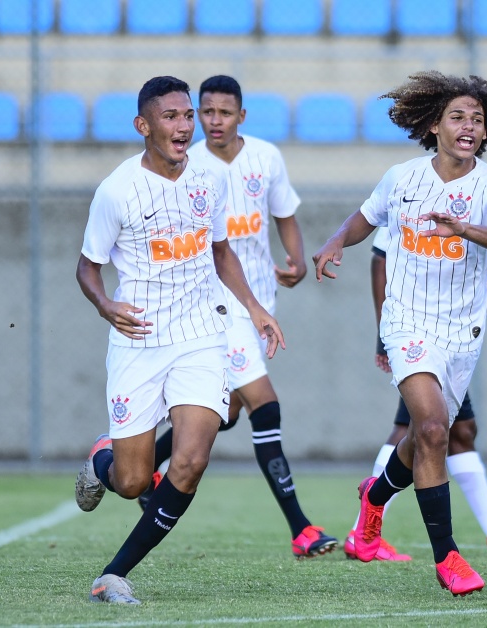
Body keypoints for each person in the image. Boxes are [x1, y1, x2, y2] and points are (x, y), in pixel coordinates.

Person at [313, 71, 487, 596]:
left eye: (477, 119)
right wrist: (337, 241)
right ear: (434, 125)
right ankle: (449, 557)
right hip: (407, 321)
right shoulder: (402, 178)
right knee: (432, 429)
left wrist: (464, 229)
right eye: (458, 117)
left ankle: (375, 497)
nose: (469, 126)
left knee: (423, 438)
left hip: (461, 334)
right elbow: (365, 218)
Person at [74, 76, 284, 605]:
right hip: (140, 340)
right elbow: (87, 268)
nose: (184, 126)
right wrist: (105, 306)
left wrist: (255, 309)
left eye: (187, 116)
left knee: (191, 459)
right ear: (143, 125)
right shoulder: (116, 190)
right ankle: (102, 461)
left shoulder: (208, 181)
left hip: (200, 335)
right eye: (171, 117)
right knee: (132, 481)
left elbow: (221, 252)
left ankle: (113, 575)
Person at [139, 75, 337, 559]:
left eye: (223, 113)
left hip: (258, 298)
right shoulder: (187, 165)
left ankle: (142, 468)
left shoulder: (265, 158)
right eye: (205, 112)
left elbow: (284, 215)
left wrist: (295, 259)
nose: (213, 121)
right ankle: (301, 528)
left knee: (224, 413)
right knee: (264, 406)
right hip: (215, 302)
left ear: (241, 116)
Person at [342, 227, 487, 561]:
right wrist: (383, 336)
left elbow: (478, 274)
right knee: (420, 430)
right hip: (418, 337)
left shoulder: (476, 202)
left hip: (455, 341)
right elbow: (381, 259)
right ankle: (360, 530)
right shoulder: (412, 189)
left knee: (460, 431)